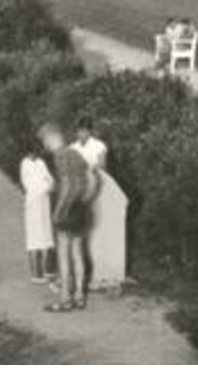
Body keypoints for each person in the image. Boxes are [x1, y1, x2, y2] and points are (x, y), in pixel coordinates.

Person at [37, 122, 93, 312]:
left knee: (63, 254)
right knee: (78, 252)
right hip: (81, 208)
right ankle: (79, 296)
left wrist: (59, 210)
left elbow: (68, 185)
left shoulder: (60, 156)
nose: (45, 145)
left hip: (68, 208)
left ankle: (65, 299)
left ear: (52, 137)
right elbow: (93, 179)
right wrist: (86, 200)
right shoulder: (75, 153)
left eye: (45, 140)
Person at [73, 117, 128, 291]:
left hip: (100, 188)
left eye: (86, 130)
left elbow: (102, 166)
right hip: (82, 189)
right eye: (80, 130)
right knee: (87, 234)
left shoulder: (99, 145)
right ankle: (88, 274)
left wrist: (90, 170)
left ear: (90, 131)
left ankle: (108, 273)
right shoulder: (72, 148)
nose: (82, 133)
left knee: (104, 231)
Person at [19, 149, 55, 283]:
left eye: (35, 151)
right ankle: (35, 274)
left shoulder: (41, 162)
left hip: (44, 203)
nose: (33, 154)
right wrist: (45, 186)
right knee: (34, 236)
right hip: (33, 204)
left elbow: (51, 180)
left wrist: (48, 184)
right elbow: (29, 186)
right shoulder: (25, 164)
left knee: (46, 235)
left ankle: (47, 271)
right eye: (31, 151)